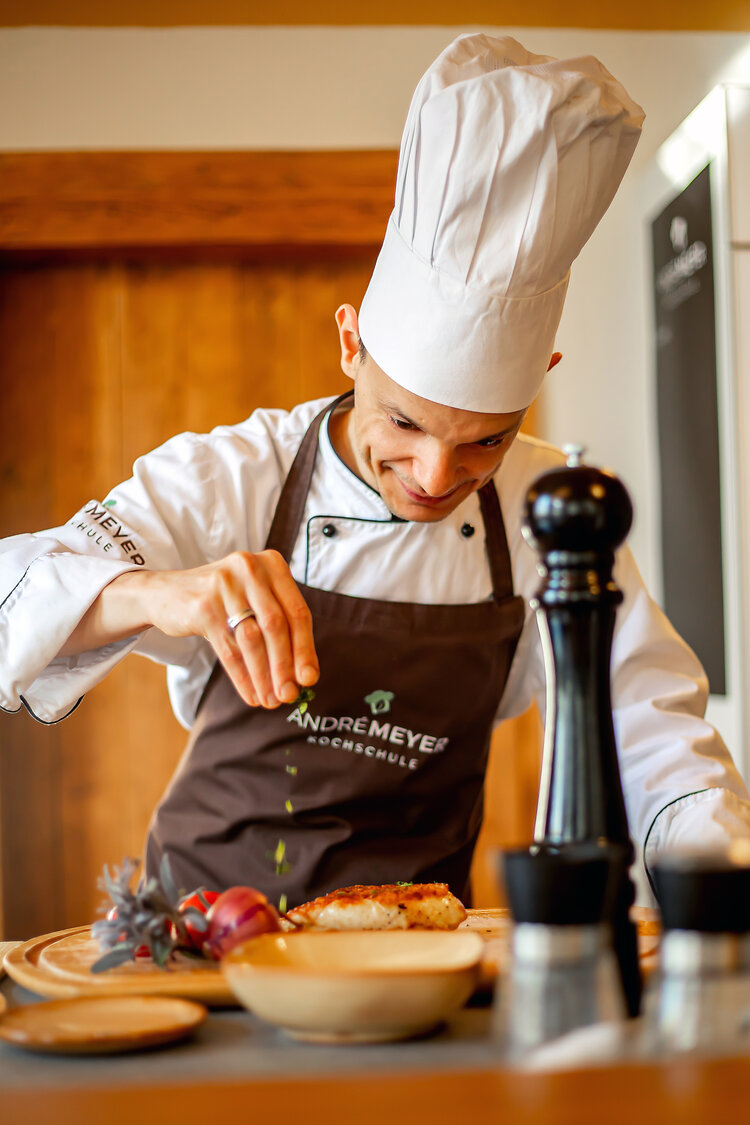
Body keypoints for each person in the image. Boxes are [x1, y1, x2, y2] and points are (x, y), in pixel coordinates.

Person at [2, 35, 749, 908]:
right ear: (350, 342)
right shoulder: (236, 475)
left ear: (541, 379)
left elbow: (653, 737)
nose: (437, 474)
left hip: (417, 957)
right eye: (404, 421)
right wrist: (158, 593)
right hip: (200, 945)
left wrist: (722, 880)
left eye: (487, 440)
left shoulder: (554, 515)